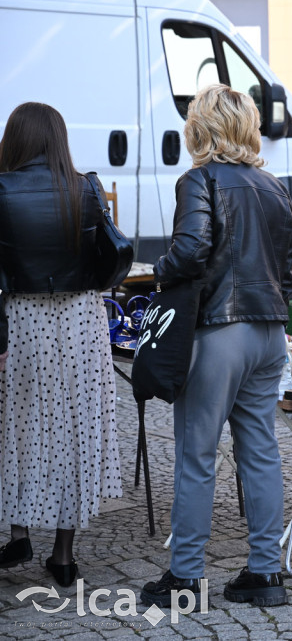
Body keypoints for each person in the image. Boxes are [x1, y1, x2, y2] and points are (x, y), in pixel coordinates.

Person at [140, 85, 292, 608]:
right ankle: (265, 573)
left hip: (218, 332)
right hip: (269, 331)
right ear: (248, 126)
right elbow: (291, 266)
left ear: (199, 129)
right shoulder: (274, 185)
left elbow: (189, 253)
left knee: (196, 454)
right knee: (261, 453)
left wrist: (153, 273)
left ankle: (184, 577)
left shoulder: (199, 179)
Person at [0, 102, 123, 586]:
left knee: (17, 425)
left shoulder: (1, 190)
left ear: (16, 140)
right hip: (80, 319)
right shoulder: (86, 186)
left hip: (23, 318)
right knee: (76, 429)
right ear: (58, 139)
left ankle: (18, 534)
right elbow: (110, 252)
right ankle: (64, 557)